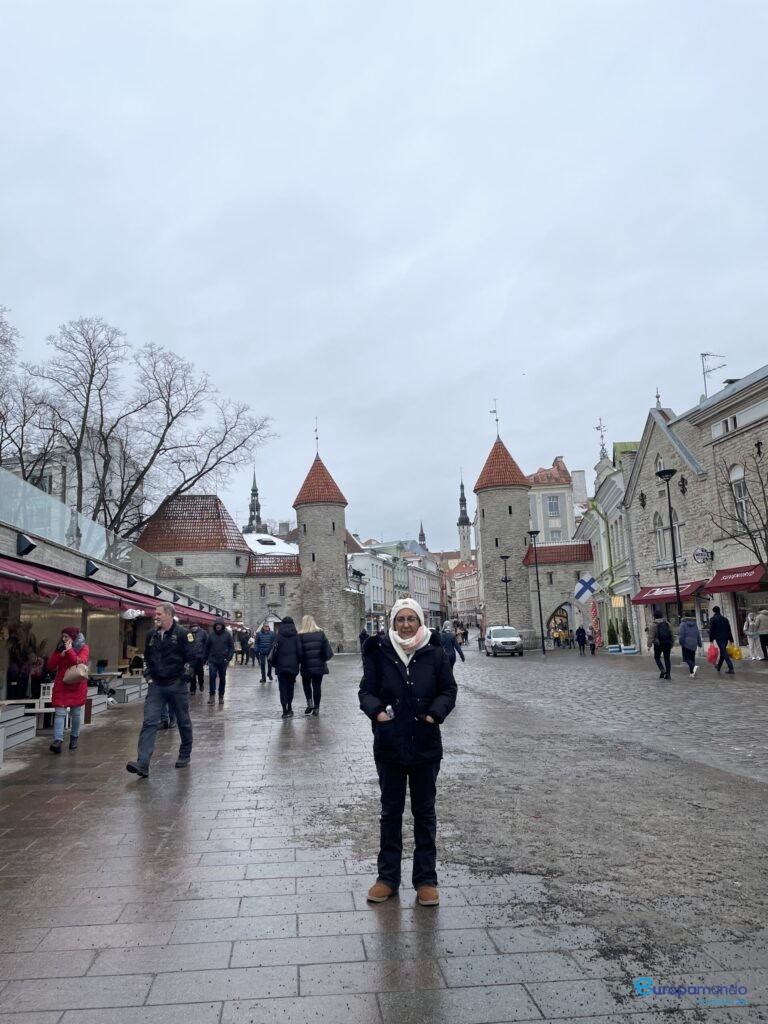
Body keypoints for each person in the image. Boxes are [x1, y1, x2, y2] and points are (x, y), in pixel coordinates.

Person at [359, 597, 457, 908]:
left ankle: (425, 880)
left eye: (410, 619)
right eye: (399, 619)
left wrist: (433, 715)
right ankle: (387, 877)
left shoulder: (434, 650)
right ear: (392, 623)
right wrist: (378, 714)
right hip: (389, 744)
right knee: (390, 813)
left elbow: (448, 689)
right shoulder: (380, 651)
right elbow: (366, 690)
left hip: (426, 744)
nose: (405, 624)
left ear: (419, 621)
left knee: (425, 813)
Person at [126, 603, 194, 778]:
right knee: (149, 722)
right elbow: (146, 658)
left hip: (176, 684)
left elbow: (193, 657)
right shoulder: (151, 635)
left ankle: (185, 752)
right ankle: (143, 763)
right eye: (155, 614)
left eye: (159, 614)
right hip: (156, 685)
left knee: (183, 720)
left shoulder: (182, 634)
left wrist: (185, 677)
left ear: (169, 615)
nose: (155, 616)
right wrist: (148, 676)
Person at [46, 626, 89, 754]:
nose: (64, 639)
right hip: (62, 684)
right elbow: (50, 665)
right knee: (59, 713)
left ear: (73, 637)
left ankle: (74, 738)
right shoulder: (60, 647)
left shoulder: (84, 647)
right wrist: (60, 655)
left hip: (77, 685)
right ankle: (57, 741)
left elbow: (79, 661)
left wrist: (70, 651)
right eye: (63, 636)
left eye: (66, 637)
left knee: (75, 713)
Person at [298, 614, 334, 715]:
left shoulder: (300, 635)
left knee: (306, 684)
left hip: (306, 665)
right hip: (319, 665)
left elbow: (299, 652)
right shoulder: (321, 633)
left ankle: (310, 703)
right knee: (317, 686)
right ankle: (317, 708)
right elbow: (326, 649)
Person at [270, 616, 302, 717]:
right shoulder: (296, 636)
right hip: (292, 666)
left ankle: (284, 710)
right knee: (290, 687)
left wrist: (275, 664)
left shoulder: (278, 636)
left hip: (281, 667)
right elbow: (300, 652)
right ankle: (290, 707)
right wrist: (298, 662)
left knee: (282, 688)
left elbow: (273, 652)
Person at [207, 618, 234, 704]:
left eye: (220, 625)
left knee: (222, 678)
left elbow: (231, 647)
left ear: (222, 626)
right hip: (212, 660)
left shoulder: (227, 635)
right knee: (212, 676)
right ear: (215, 626)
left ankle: (221, 696)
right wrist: (206, 658)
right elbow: (206, 648)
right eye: (217, 625)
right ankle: (212, 696)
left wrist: (228, 658)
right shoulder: (211, 635)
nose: (218, 626)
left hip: (223, 660)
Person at [708, 606, 735, 675]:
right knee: (723, 652)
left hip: (719, 638)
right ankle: (719, 666)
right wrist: (731, 640)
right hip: (725, 638)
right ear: (719, 610)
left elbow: (711, 630)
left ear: (713, 611)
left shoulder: (713, 619)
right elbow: (729, 630)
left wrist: (711, 640)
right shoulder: (725, 619)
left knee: (724, 652)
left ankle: (731, 667)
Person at [647, 612, 673, 680]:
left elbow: (651, 636)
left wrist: (649, 645)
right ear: (662, 616)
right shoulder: (667, 623)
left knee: (657, 657)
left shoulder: (652, 625)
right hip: (667, 643)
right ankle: (668, 674)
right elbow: (671, 634)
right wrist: (672, 643)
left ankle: (662, 670)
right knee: (667, 659)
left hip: (658, 644)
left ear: (654, 617)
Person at [678, 611, 702, 678]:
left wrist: (681, 642)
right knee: (692, 658)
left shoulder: (682, 624)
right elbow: (697, 634)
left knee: (687, 658)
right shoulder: (695, 624)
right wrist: (699, 643)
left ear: (684, 616)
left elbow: (681, 635)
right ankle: (692, 673)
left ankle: (694, 667)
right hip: (694, 643)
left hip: (686, 643)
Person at [187, 623, 209, 694]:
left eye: (194, 626)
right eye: (192, 627)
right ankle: (193, 689)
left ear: (197, 626)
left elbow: (206, 644)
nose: (193, 628)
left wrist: (205, 656)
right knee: (191, 673)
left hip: (200, 657)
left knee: (200, 672)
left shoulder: (203, 633)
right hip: (191, 657)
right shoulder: (188, 633)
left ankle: (201, 683)